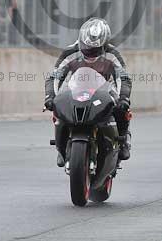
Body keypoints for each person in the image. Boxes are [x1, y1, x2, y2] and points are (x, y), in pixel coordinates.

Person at [43, 17, 133, 164]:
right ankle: (61, 147)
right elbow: (55, 76)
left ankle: (123, 141)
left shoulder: (113, 54)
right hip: (76, 89)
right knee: (58, 106)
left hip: (103, 91)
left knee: (122, 108)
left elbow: (123, 78)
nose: (90, 52)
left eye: (95, 49)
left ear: (104, 44)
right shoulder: (69, 52)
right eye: (87, 47)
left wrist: (123, 98)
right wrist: (50, 96)